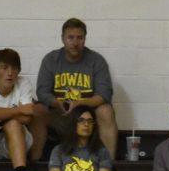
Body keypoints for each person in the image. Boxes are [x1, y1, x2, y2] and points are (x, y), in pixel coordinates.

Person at [34, 17, 117, 159]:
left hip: (87, 114)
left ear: (85, 39)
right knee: (37, 110)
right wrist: (57, 103)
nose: (75, 43)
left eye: (79, 38)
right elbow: (42, 92)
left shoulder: (97, 61)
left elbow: (104, 95)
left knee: (106, 110)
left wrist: (80, 103)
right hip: (59, 113)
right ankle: (34, 166)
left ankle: (109, 168)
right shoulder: (51, 59)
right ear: (62, 39)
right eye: (70, 37)